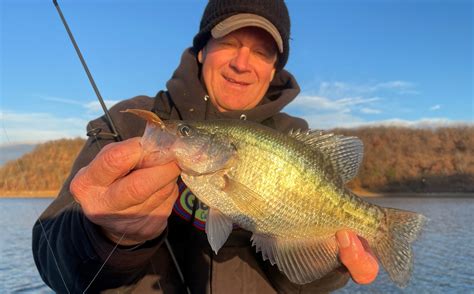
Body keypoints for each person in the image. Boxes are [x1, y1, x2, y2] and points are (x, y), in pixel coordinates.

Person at [33, 0, 379, 293]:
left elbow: (295, 279)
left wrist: (331, 261)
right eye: (229, 42)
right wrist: (103, 235)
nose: (242, 63)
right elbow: (53, 261)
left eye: (261, 51)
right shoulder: (133, 122)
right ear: (202, 50)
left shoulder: (294, 138)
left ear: (274, 69)